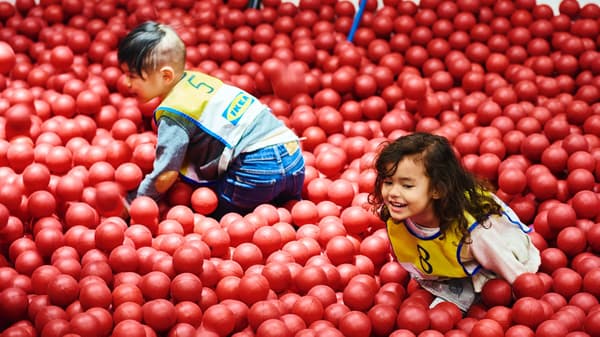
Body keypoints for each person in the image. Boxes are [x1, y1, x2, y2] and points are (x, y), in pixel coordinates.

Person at [117, 21, 305, 218]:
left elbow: (167, 172)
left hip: (257, 171)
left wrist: (137, 201)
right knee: (284, 212)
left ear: (166, 76)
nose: (127, 83)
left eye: (132, 76)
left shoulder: (174, 113)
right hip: (294, 158)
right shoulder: (200, 81)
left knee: (211, 213)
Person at [368, 132, 540, 311]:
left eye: (407, 185)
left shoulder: (475, 232)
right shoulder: (397, 211)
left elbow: (518, 277)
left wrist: (521, 300)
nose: (393, 192)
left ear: (437, 190)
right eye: (388, 182)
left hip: (494, 260)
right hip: (450, 268)